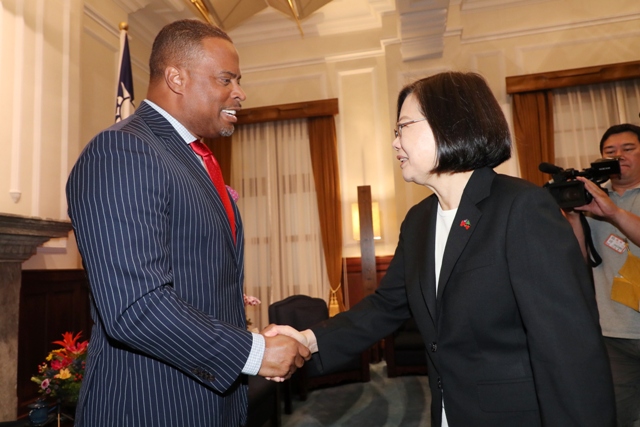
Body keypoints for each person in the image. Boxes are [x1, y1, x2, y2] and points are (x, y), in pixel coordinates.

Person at [266, 71, 616, 426]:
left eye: (403, 127)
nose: (395, 143)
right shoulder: (418, 220)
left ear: (451, 125)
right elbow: (387, 305)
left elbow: (568, 349)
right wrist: (307, 340)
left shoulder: (522, 208)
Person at [66, 19, 309, 427]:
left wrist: (247, 338)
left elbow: (198, 283)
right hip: (152, 404)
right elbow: (135, 307)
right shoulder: (123, 151)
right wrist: (252, 353)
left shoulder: (189, 158)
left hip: (211, 398)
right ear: (176, 77)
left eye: (238, 80)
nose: (240, 92)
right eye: (225, 79)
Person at [565, 123, 640, 427]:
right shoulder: (593, 198)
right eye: (610, 152)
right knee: (618, 417)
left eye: (628, 149)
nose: (619, 156)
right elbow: (581, 258)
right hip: (612, 332)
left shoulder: (605, 205)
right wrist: (571, 212)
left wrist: (612, 212)